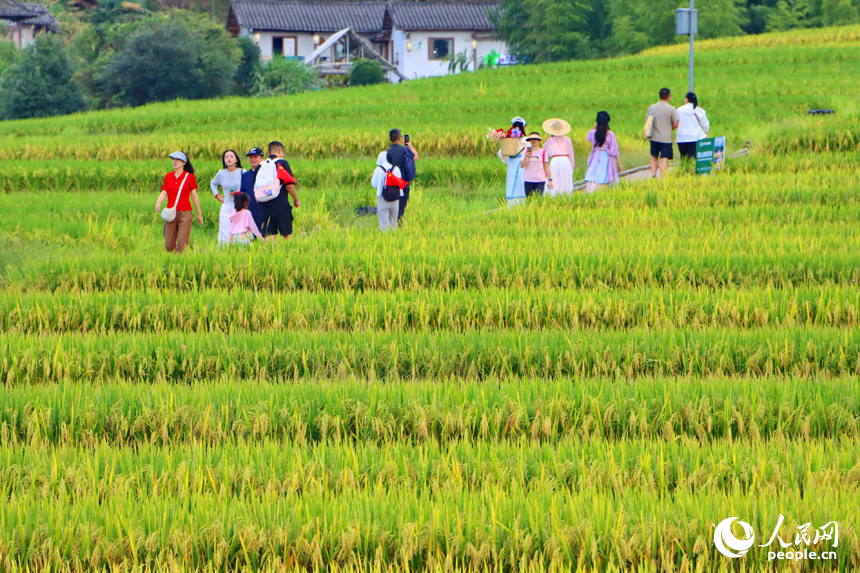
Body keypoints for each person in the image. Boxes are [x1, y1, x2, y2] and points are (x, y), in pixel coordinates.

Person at [154, 151, 202, 253]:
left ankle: (180, 263)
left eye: (178, 159)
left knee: (182, 244)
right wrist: (158, 203)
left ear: (184, 162)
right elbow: (164, 192)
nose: (175, 161)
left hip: (185, 213)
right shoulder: (168, 176)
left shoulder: (189, 177)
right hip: (171, 212)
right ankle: (193, 252)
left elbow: (194, 196)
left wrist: (199, 213)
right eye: (173, 159)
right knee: (168, 244)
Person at [257, 141, 299, 242]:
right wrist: (296, 199)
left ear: (268, 153)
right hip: (280, 204)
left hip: (264, 206)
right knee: (287, 236)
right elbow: (289, 185)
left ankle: (271, 257)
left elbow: (256, 189)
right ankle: (289, 257)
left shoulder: (261, 166)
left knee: (269, 238)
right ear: (279, 151)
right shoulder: (282, 163)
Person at [210, 150, 245, 245]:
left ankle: (240, 253)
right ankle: (225, 252)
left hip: (239, 206)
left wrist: (238, 193)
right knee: (225, 232)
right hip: (226, 206)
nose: (229, 159)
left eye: (231, 157)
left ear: (236, 159)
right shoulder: (221, 173)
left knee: (240, 232)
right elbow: (213, 183)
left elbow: (247, 187)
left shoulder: (242, 172)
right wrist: (216, 195)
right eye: (226, 157)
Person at [584, 111, 622, 193]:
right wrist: (619, 163)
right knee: (606, 175)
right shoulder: (610, 134)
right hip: (606, 157)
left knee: (594, 173)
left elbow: (589, 134)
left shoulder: (593, 133)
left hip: (596, 156)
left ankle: (591, 190)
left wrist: (597, 124)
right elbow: (615, 150)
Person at [385, 129, 418, 223]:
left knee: (390, 210)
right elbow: (416, 157)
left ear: (389, 139)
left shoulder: (386, 153)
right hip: (403, 184)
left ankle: (391, 227)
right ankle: (398, 227)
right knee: (400, 210)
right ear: (400, 139)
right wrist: (410, 146)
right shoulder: (405, 150)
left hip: (390, 185)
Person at [646, 88, 679, 178]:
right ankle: (662, 177)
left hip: (654, 138)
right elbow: (676, 124)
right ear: (668, 97)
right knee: (664, 159)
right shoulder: (672, 109)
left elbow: (647, 122)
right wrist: (669, 129)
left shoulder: (652, 108)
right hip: (666, 139)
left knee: (654, 157)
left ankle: (653, 175)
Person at [497, 117, 527, 208]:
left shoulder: (508, 140)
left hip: (512, 166)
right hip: (524, 165)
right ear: (524, 127)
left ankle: (511, 207)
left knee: (512, 186)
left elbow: (501, 153)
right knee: (523, 186)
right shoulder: (527, 140)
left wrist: (510, 161)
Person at [542, 118, 575, 197]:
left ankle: (553, 196)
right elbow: (571, 155)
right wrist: (571, 169)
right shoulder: (568, 140)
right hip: (566, 161)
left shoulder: (549, 141)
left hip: (555, 161)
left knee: (554, 180)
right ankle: (566, 197)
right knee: (565, 181)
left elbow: (544, 152)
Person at [371, 149, 401, 231]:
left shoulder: (378, 169)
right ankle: (394, 241)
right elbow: (400, 184)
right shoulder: (396, 169)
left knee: (384, 225)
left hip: (382, 198)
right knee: (394, 224)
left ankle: (385, 242)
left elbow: (374, 184)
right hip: (395, 199)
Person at [676, 92, 710, 160]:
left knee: (684, 158)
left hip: (681, 138)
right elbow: (706, 124)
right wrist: (705, 133)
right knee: (693, 158)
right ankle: (691, 170)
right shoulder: (699, 110)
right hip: (695, 137)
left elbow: (675, 121)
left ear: (686, 99)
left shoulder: (680, 110)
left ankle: (684, 169)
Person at [239, 147, 265, 230]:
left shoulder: (265, 173)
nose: (253, 159)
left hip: (263, 209)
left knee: (265, 235)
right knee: (250, 237)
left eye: (255, 157)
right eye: (251, 157)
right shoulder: (245, 175)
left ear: (262, 158)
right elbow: (242, 193)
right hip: (250, 210)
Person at [520, 132, 548, 197]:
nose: (533, 141)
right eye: (531, 139)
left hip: (540, 180)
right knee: (529, 200)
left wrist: (550, 179)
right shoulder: (525, 152)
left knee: (538, 199)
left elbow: (546, 167)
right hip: (528, 180)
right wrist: (526, 156)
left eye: (535, 139)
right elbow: (522, 166)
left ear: (538, 140)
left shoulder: (543, 152)